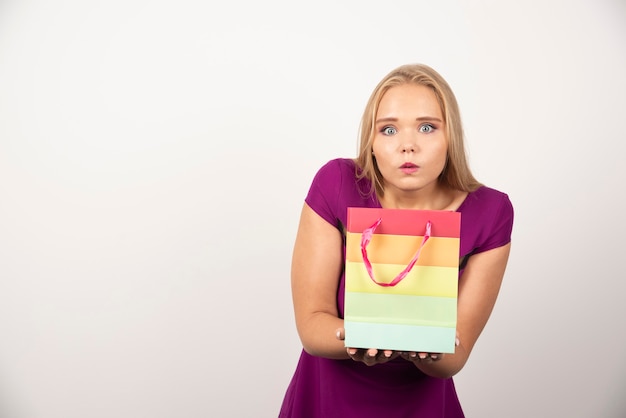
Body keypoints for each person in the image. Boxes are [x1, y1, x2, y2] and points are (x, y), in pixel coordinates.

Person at [279, 63, 513, 418]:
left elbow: (455, 356)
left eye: (427, 127)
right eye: (388, 129)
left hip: (421, 406)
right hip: (327, 400)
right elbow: (312, 323)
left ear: (451, 137)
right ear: (371, 143)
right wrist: (364, 337)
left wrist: (420, 348)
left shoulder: (491, 212)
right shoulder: (336, 184)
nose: (408, 145)